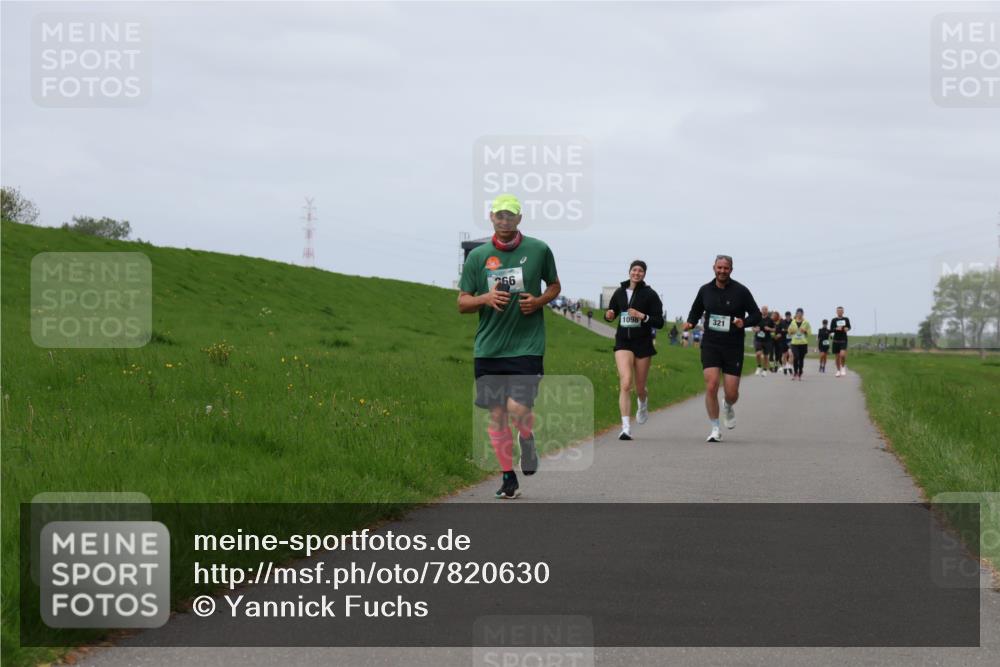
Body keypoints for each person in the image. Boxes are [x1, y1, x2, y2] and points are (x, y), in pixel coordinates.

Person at [458, 194, 561, 499]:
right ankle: (507, 477)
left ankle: (526, 440)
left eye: (510, 215)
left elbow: (554, 285)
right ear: (491, 217)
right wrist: (485, 298)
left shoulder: (539, 249)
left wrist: (539, 300)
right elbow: (462, 302)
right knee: (497, 416)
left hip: (527, 345)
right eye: (499, 215)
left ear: (519, 218)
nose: (504, 220)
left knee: (518, 408)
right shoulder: (478, 258)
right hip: (489, 348)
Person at [683, 255, 762, 443]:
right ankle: (715, 428)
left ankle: (728, 405)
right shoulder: (705, 290)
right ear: (713, 268)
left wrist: (744, 322)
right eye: (719, 268)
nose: (722, 271)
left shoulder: (741, 291)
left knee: (732, 393)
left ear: (731, 270)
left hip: (733, 346)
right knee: (711, 386)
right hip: (711, 343)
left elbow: (756, 314)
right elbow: (696, 310)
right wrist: (690, 322)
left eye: (726, 268)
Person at [604, 260, 665, 440]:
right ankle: (625, 427)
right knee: (625, 382)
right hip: (623, 341)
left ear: (644, 274)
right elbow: (611, 312)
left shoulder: (650, 295)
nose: (636, 273)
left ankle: (643, 402)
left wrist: (642, 316)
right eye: (634, 270)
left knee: (639, 387)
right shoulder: (620, 292)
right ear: (629, 272)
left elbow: (659, 322)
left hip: (643, 343)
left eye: (640, 271)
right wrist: (609, 315)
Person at [787, 308, 812, 380]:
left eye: (801, 313)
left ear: (802, 314)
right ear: (796, 314)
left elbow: (809, 333)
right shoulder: (793, 322)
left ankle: (800, 372)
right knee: (796, 357)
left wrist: (804, 331)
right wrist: (791, 331)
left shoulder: (806, 322)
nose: (799, 314)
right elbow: (789, 331)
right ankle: (795, 372)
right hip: (794, 343)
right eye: (798, 313)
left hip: (803, 343)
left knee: (801, 359)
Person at [831, 306, 852, 376]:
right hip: (836, 340)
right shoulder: (834, 320)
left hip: (843, 339)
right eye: (838, 311)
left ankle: (843, 367)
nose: (839, 312)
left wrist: (847, 329)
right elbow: (831, 329)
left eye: (841, 311)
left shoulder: (846, 319)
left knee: (842, 355)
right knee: (837, 357)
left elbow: (849, 327)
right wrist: (836, 329)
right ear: (836, 312)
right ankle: (838, 370)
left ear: (843, 312)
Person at [752, 305, 772, 376]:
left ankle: (765, 370)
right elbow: (753, 328)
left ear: (767, 311)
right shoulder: (757, 319)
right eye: (763, 309)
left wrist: (769, 329)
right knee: (758, 354)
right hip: (758, 339)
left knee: (766, 356)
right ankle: (759, 367)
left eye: (765, 309)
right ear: (761, 310)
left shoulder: (770, 320)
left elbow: (775, 329)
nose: (764, 311)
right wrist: (755, 329)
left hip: (767, 340)